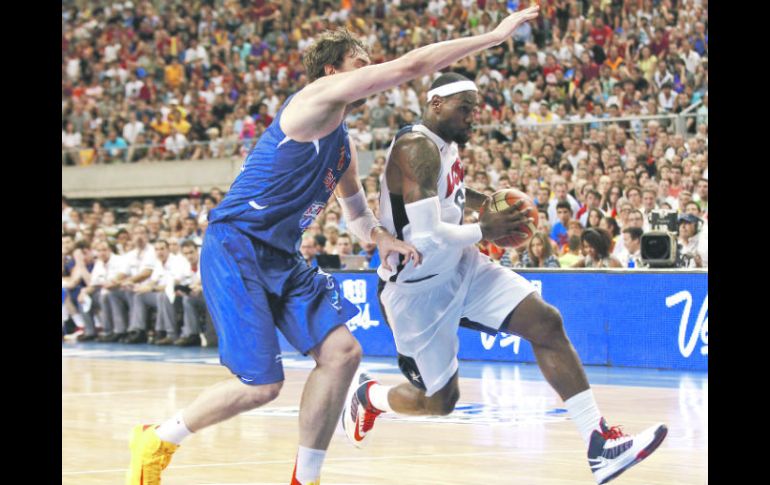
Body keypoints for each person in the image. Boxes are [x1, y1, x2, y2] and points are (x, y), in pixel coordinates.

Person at [127, 8, 543, 483]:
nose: (368, 69)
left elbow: (357, 215)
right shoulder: (312, 100)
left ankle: (306, 477)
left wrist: (382, 238)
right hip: (235, 246)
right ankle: (158, 438)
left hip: (281, 256)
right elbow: (410, 67)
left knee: (343, 353)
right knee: (263, 386)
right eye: (359, 62)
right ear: (331, 71)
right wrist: (492, 37)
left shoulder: (342, 143)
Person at [340, 72, 666, 485]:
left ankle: (600, 444)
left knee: (546, 322)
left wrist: (493, 203)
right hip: (416, 292)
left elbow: (450, 195)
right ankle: (369, 398)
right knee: (441, 401)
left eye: (476, 110)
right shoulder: (415, 147)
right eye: (465, 109)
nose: (473, 118)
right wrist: (487, 230)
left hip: (462, 265)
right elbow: (425, 233)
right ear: (436, 105)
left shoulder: (444, 145)